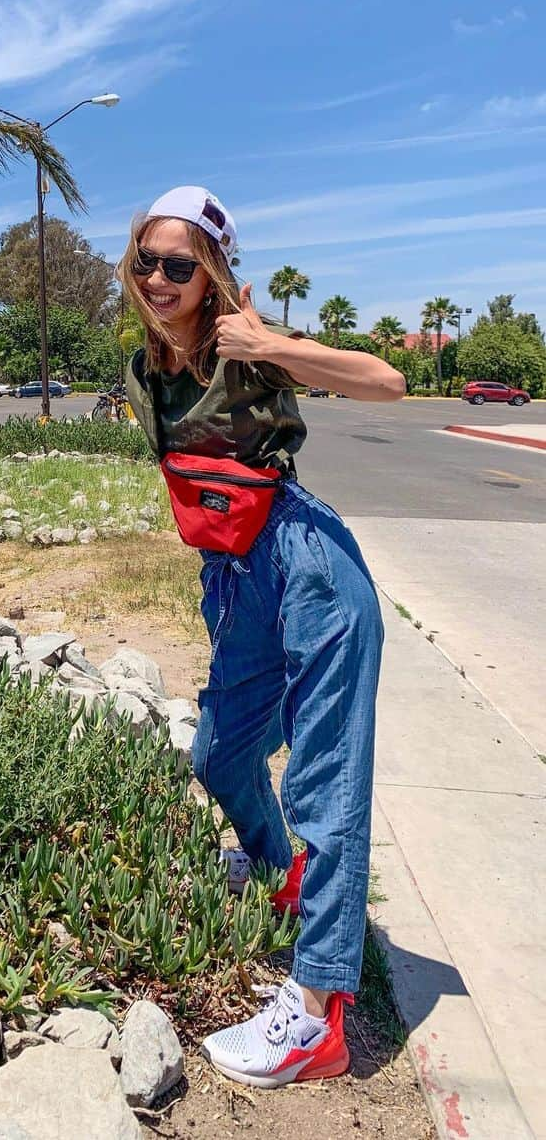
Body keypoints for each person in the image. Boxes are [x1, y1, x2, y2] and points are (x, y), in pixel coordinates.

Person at [121, 186, 405, 1088]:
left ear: (211, 274)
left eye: (180, 265)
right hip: (233, 580)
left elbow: (386, 382)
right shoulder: (148, 368)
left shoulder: (245, 348)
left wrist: (270, 343)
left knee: (322, 782)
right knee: (218, 755)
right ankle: (285, 876)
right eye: (147, 262)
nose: (160, 278)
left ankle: (317, 1014)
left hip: (307, 566)